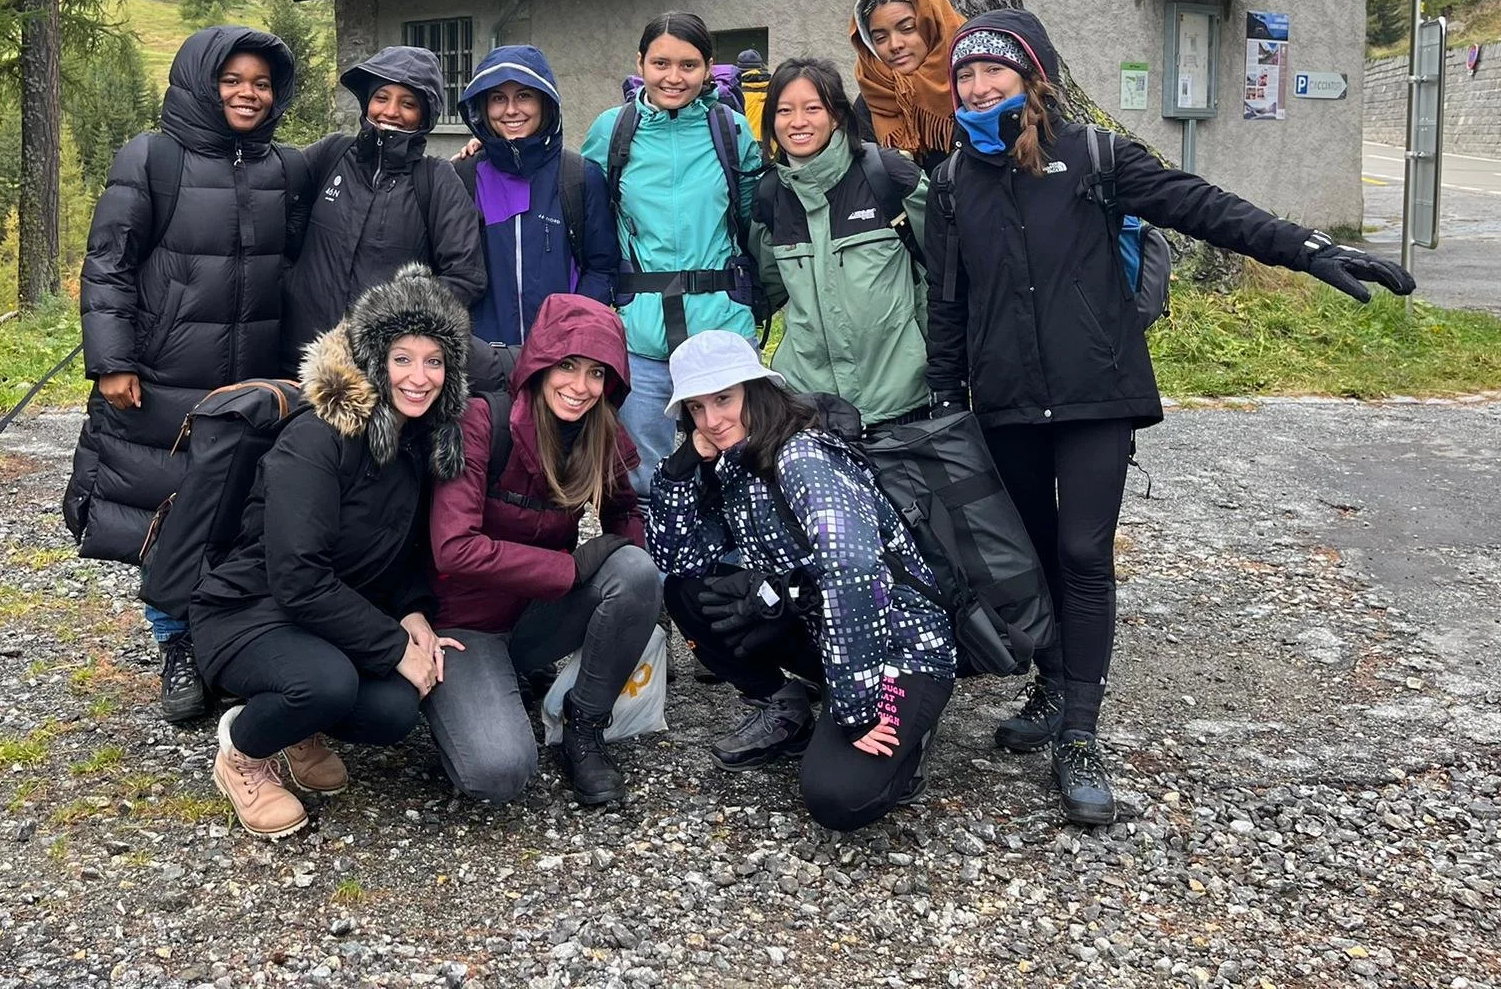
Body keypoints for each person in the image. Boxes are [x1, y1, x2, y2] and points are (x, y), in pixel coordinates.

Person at [925, 8, 1416, 826]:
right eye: (965, 75)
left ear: (1032, 77)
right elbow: (948, 304)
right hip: (1005, 403)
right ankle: (1055, 684)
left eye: (993, 71)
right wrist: (947, 401)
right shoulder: (951, 185)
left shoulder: (1096, 156)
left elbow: (1204, 207)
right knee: (1036, 555)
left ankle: (1080, 735)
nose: (977, 87)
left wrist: (1310, 249)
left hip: (1096, 393)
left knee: (1083, 553)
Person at [66, 25, 306, 725]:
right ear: (202, 83)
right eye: (232, 80)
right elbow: (108, 262)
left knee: (235, 516)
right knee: (163, 515)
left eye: (261, 84)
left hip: (250, 383)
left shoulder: (283, 168)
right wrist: (112, 360)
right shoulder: (153, 158)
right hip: (163, 375)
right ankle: (176, 646)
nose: (248, 94)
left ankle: (222, 640)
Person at [187, 264, 472, 840]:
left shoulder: (415, 440)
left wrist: (413, 612)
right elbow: (297, 577)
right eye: (402, 358)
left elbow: (402, 548)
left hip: (328, 615)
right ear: (373, 359)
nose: (419, 378)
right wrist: (392, 645)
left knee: (394, 709)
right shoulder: (317, 439)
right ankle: (242, 753)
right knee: (326, 684)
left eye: (435, 361)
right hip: (250, 609)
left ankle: (298, 729)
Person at [648, 331, 956, 832]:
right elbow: (676, 557)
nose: (712, 420)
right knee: (687, 590)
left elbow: (854, 570)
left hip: (899, 644)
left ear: (757, 391)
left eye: (723, 398)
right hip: (822, 631)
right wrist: (680, 470)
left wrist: (856, 709)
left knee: (838, 797)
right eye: (696, 408)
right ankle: (784, 706)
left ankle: (910, 731)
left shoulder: (803, 456)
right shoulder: (736, 463)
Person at [426, 293, 657, 808]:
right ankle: (456, 700)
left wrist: (631, 613)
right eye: (567, 365)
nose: (580, 386)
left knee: (636, 571)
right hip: (465, 629)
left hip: (536, 619)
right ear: (540, 363)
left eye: (597, 373)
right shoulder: (481, 422)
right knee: (498, 774)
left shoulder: (599, 431)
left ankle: (584, 728)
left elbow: (625, 511)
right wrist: (568, 569)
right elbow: (453, 549)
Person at [580, 12, 763, 483]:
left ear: (708, 68)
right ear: (640, 62)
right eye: (661, 63)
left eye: (688, 65)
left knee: (740, 465)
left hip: (722, 323)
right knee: (643, 476)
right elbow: (579, 205)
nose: (673, 77)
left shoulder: (730, 129)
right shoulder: (612, 130)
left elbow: (753, 219)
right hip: (641, 331)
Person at [751, 57, 930, 430]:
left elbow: (944, 264)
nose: (798, 121)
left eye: (812, 108)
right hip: (810, 408)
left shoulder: (888, 175)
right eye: (784, 111)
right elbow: (770, 287)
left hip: (901, 400)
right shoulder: (769, 196)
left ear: (836, 116)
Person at [283, 46, 485, 362]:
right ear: (367, 102)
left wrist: (395, 325)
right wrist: (290, 284)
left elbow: (465, 276)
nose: (390, 111)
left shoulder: (436, 179)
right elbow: (272, 199)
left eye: (408, 103)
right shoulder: (331, 154)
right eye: (381, 98)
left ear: (424, 115)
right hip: (298, 356)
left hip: (382, 369)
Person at [456, 46, 620, 346]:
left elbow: (603, 267)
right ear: (482, 108)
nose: (511, 110)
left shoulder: (580, 177)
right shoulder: (462, 176)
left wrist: (571, 330)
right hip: (481, 358)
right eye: (498, 98)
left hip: (560, 356)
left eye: (524, 96)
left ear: (545, 102)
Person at [849, 0, 966, 168]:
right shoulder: (874, 97)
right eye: (880, 38)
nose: (895, 45)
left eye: (908, 28)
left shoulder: (970, 81)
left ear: (933, 25)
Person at [734, 47, 771, 142]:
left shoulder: (734, 90)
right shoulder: (773, 87)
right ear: (759, 68)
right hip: (769, 143)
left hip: (745, 142)